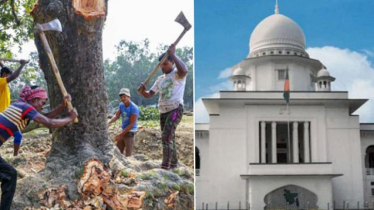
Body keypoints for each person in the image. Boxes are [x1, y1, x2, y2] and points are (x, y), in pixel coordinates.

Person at [0, 85, 77, 210]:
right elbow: (49, 123)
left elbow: (46, 117)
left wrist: (62, 106)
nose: (42, 106)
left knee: (9, 174)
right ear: (33, 100)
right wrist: (70, 118)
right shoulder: (25, 107)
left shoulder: (23, 107)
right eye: (42, 102)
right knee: (9, 175)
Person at [138, 44, 188, 170]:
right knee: (169, 136)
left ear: (172, 63)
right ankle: (174, 163)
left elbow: (185, 70)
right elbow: (150, 94)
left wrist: (173, 54)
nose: (162, 67)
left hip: (175, 109)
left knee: (166, 136)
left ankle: (165, 166)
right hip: (163, 112)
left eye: (165, 64)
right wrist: (142, 91)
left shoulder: (178, 74)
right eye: (161, 65)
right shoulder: (160, 79)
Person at [0, 60, 29, 157]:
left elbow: (8, 74)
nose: (10, 78)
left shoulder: (4, 83)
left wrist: (1, 64)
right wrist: (22, 65)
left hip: (7, 117)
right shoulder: (0, 82)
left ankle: (15, 157)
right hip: (2, 117)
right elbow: (13, 76)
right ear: (4, 75)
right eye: (8, 75)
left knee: (18, 135)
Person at [108, 88, 139, 157]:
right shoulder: (121, 105)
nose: (123, 98)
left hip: (130, 132)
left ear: (128, 96)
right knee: (118, 152)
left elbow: (131, 124)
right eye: (121, 97)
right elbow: (116, 116)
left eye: (124, 97)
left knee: (128, 155)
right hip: (123, 131)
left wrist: (120, 135)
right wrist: (108, 123)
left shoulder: (134, 108)